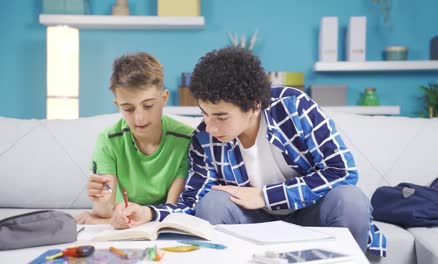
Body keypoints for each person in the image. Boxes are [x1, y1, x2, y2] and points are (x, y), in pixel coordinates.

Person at [112, 47, 386, 256]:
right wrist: (148, 213)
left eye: (221, 116)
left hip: (311, 211)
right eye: (204, 114)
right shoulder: (204, 138)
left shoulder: (294, 107)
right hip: (253, 222)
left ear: (254, 106)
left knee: (350, 200)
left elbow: (342, 170)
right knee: (212, 203)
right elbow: (191, 204)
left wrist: (266, 196)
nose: (210, 125)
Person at [74, 52, 194, 228]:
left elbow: (173, 208)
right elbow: (105, 207)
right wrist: (100, 197)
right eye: (128, 109)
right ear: (118, 106)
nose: (139, 118)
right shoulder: (108, 140)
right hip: (123, 220)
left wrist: (103, 221)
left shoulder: (187, 139)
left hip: (158, 220)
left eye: (148, 106)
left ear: (164, 98)